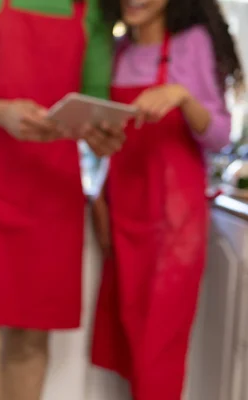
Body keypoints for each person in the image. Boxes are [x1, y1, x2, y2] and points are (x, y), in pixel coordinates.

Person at [0, 0, 126, 399]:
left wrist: (100, 131)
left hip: (52, 189)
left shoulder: (92, 11)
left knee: (32, 339)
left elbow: (95, 97)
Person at [90, 0, 244, 399]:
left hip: (175, 226)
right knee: (128, 345)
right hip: (123, 220)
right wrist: (99, 192)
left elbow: (220, 134)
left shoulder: (192, 43)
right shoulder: (118, 50)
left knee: (159, 351)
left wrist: (182, 96)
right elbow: (111, 140)